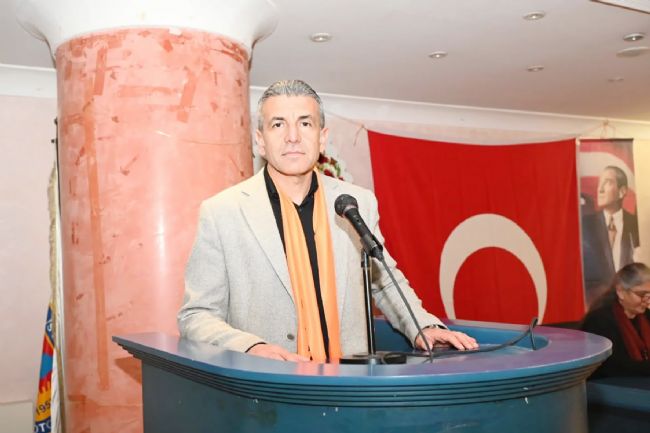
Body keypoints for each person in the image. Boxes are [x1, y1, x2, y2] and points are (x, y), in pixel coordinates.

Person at [177, 79, 477, 362]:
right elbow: (197, 315)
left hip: (348, 385)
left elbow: (384, 281)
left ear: (322, 138)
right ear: (260, 141)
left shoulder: (356, 203)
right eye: (278, 124)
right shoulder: (223, 212)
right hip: (266, 387)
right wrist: (251, 347)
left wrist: (422, 326)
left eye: (305, 123)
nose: (293, 136)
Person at [582, 165, 640, 306]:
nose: (600, 189)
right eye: (599, 183)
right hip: (597, 307)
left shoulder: (636, 225)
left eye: (607, 182)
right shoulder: (585, 225)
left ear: (622, 192)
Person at [581, 262, 650, 378]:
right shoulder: (599, 320)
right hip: (610, 383)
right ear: (621, 292)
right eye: (642, 294)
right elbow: (612, 366)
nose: (647, 301)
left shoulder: (646, 315)